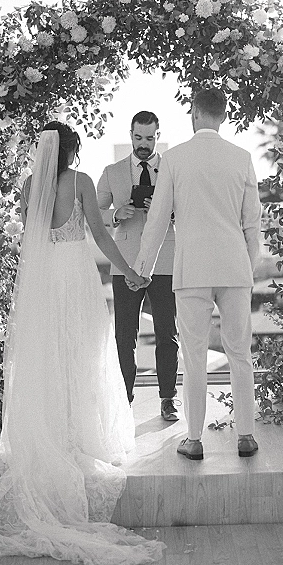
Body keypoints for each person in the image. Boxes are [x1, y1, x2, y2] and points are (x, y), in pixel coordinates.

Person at [0, 122, 164, 565]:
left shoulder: (30, 185)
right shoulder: (80, 181)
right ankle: (81, 433)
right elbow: (101, 237)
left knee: (49, 356)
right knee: (82, 355)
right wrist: (132, 272)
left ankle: (54, 430)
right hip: (77, 276)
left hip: (45, 282)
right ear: (72, 150)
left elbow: (31, 241)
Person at [132, 90, 263, 461]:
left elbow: (157, 222)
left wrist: (143, 269)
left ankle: (193, 439)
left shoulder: (174, 159)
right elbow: (253, 225)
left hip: (192, 270)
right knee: (240, 354)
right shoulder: (242, 158)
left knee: (193, 357)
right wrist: (246, 269)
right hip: (235, 268)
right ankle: (247, 437)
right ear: (222, 116)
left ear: (194, 114)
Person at [97, 111, 179, 420]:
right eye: (138, 137)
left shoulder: (173, 169)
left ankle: (168, 398)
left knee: (166, 332)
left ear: (158, 135)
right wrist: (118, 214)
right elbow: (94, 211)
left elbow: (186, 210)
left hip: (165, 259)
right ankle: (123, 400)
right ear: (130, 134)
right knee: (124, 334)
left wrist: (166, 211)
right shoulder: (113, 171)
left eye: (149, 138)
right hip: (126, 261)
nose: (143, 144)